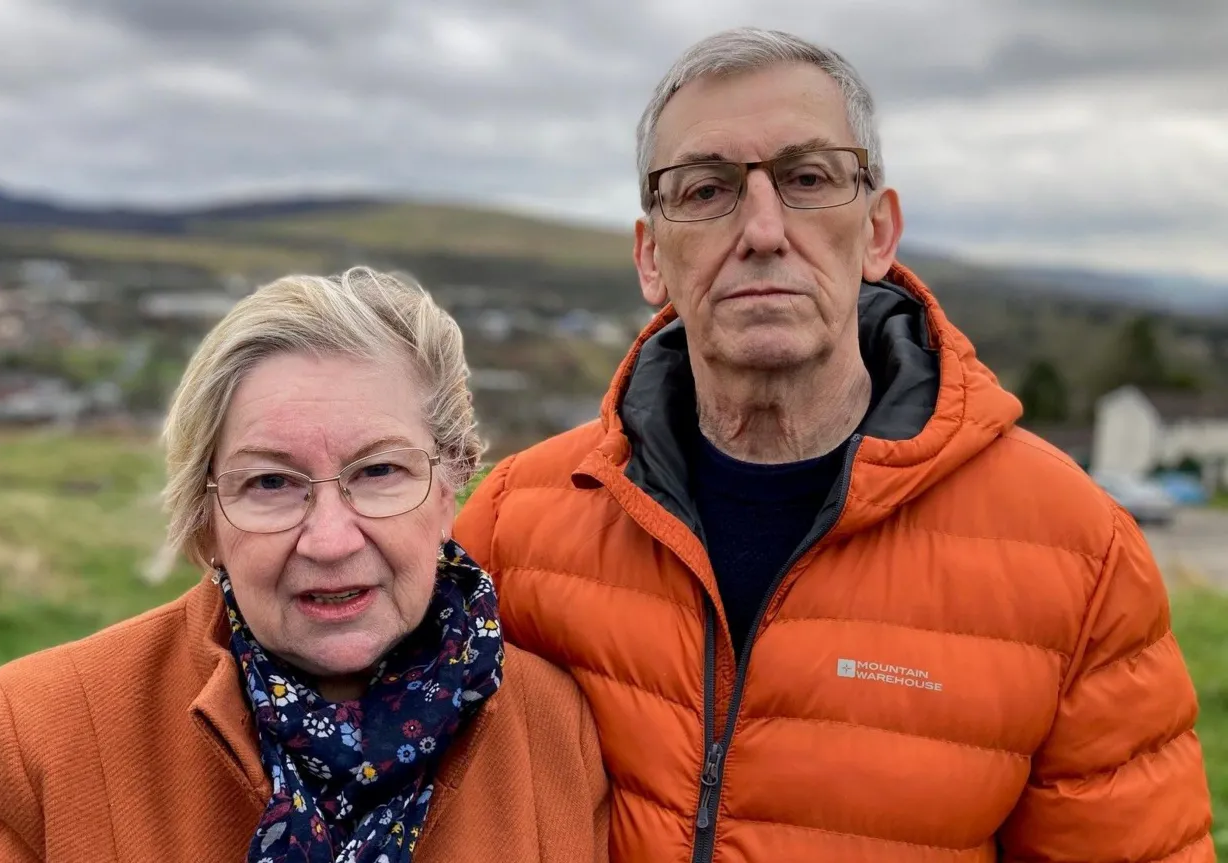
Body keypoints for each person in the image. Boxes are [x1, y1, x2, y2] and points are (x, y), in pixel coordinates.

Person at [454, 26, 1215, 863]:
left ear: (880, 233)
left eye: (808, 178)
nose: (763, 229)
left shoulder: (1077, 551)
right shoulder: (513, 527)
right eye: (706, 190)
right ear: (649, 256)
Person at [0, 267, 609, 863]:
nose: (329, 539)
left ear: (449, 484)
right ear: (207, 516)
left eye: (378, 471)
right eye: (270, 483)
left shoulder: (554, 729)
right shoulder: (37, 738)